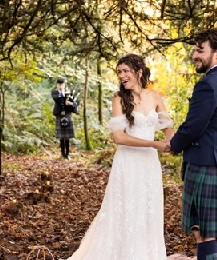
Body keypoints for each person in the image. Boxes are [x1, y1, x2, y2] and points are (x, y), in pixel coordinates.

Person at [67, 53, 174, 260]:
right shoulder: (119, 99)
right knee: (126, 210)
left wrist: (171, 142)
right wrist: (154, 144)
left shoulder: (154, 97)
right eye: (119, 72)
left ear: (139, 72)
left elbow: (167, 127)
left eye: (126, 71)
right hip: (128, 162)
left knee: (148, 209)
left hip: (149, 164)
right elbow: (119, 137)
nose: (122, 76)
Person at [168, 29, 217, 260]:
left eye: (201, 50)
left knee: (203, 230)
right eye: (194, 50)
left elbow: (194, 126)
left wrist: (174, 144)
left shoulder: (207, 84)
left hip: (205, 164)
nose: (195, 55)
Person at [52, 77, 78, 160]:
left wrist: (72, 103)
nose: (60, 86)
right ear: (57, 85)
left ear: (64, 85)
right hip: (59, 115)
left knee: (67, 137)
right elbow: (57, 99)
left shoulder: (69, 93)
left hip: (67, 115)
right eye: (59, 84)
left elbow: (75, 103)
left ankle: (67, 154)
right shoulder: (55, 93)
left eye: (62, 84)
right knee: (61, 137)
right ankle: (62, 154)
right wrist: (65, 99)